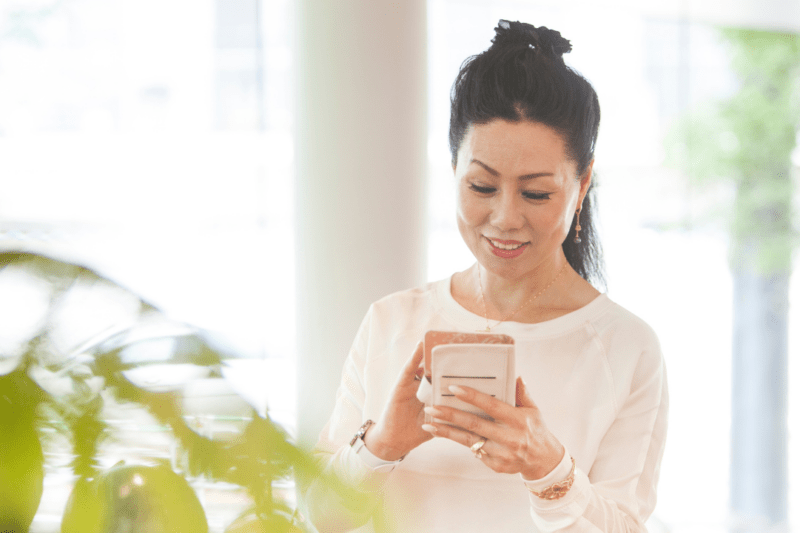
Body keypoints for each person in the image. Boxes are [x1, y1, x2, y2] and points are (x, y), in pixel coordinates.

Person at [304, 20, 668, 533]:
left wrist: (548, 469)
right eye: (481, 186)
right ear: (453, 170)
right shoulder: (392, 322)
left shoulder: (626, 348)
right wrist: (382, 445)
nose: (504, 218)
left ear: (582, 184)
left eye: (536, 193)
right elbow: (319, 517)